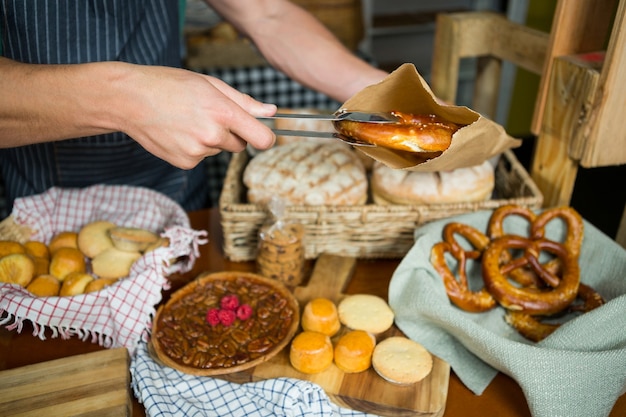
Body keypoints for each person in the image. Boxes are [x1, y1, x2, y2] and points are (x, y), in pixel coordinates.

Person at [0, 0, 387, 211]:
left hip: (178, 192)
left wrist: (381, 94)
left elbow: (266, 13)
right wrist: (124, 98)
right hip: (45, 207)